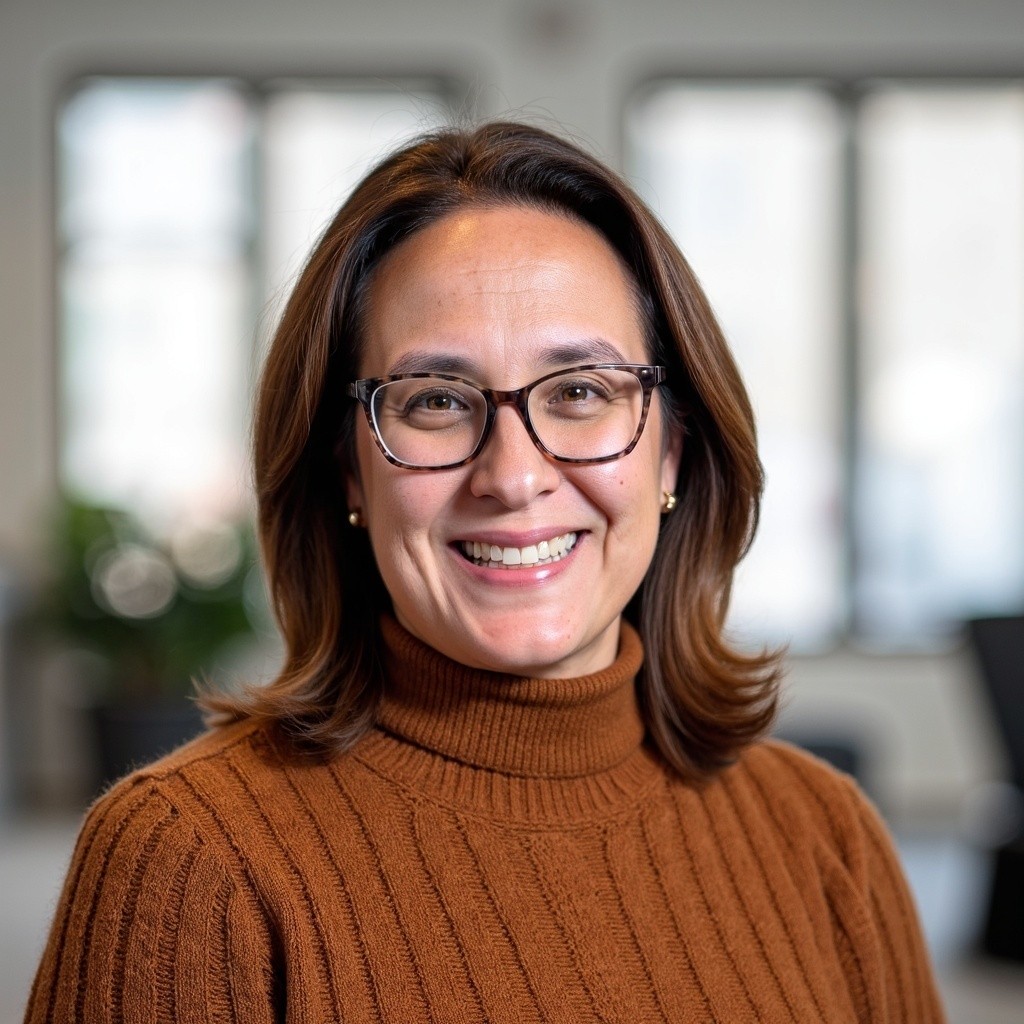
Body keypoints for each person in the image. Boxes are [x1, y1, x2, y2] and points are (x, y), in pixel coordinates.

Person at [26, 121, 945, 1023]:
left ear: (671, 454)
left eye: (581, 391)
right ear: (349, 468)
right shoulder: (190, 861)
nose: (513, 476)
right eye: (435, 401)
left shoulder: (824, 835)